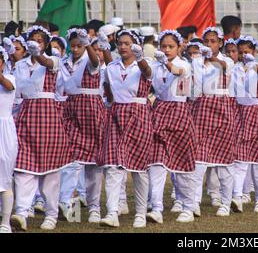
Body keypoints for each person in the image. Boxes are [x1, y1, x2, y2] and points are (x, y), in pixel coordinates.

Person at [11, 25, 71, 231]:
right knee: (23, 168)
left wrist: (40, 54)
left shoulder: (53, 60)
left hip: (48, 117)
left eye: (40, 40)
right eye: (33, 40)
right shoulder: (20, 65)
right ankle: (21, 211)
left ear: (45, 44)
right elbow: (17, 93)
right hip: (26, 115)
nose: (36, 43)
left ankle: (51, 213)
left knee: (50, 172)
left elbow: (47, 62)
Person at [97, 29, 153, 228]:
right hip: (116, 116)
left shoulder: (144, 65)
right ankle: (112, 211)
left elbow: (148, 73)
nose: (122, 47)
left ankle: (140, 212)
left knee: (140, 168)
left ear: (135, 46)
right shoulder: (111, 67)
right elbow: (108, 91)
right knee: (113, 166)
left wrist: (141, 59)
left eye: (127, 43)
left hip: (139, 115)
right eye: (120, 43)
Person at [149, 29, 197, 223]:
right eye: (163, 46)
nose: (167, 49)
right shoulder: (155, 65)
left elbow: (177, 72)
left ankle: (188, 206)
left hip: (179, 112)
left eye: (171, 46)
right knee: (157, 162)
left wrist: (165, 62)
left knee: (182, 163)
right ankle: (156, 207)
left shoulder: (184, 64)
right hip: (159, 111)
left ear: (179, 47)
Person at [59, 28, 105, 223]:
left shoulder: (90, 59)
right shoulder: (63, 62)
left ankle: (94, 207)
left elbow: (96, 63)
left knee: (94, 164)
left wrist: (88, 46)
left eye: (80, 45)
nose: (76, 49)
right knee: (71, 160)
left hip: (92, 112)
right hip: (71, 110)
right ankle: (69, 205)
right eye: (73, 45)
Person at [190, 27, 236, 217]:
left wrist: (212, 59)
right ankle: (194, 202)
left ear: (220, 43)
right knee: (199, 159)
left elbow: (224, 68)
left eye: (213, 41)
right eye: (206, 41)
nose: (209, 44)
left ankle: (226, 202)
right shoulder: (196, 61)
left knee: (224, 161)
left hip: (223, 108)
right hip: (202, 108)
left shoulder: (227, 61)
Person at [231, 36, 258, 213]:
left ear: (254, 52)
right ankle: (237, 195)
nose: (243, 55)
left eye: (247, 52)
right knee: (240, 157)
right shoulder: (235, 69)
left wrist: (253, 64)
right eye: (240, 52)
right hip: (241, 113)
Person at [0, 47, 17, 233]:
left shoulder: (10, 77)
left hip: (4, 132)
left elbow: (7, 85)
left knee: (4, 178)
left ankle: (5, 222)